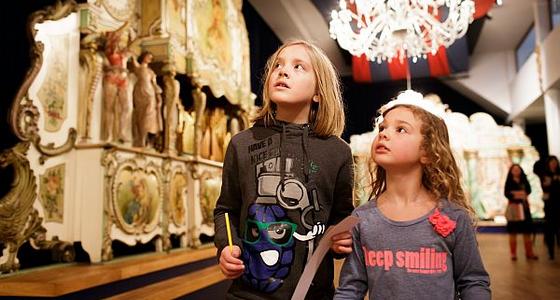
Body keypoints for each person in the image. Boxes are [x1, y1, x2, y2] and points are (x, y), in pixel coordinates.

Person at [213, 40, 354, 299]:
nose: (283, 71)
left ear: (318, 93)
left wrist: (341, 243)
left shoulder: (338, 152)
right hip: (247, 293)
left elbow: (341, 218)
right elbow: (226, 209)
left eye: (298, 67)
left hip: (313, 294)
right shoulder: (241, 143)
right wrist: (225, 246)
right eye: (277, 65)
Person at [335, 98, 491, 299]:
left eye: (400, 129)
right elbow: (350, 288)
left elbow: (473, 282)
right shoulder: (363, 218)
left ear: (427, 152)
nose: (383, 133)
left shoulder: (454, 217)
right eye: (382, 127)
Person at [101, 22, 134, 143]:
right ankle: (108, 135)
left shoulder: (124, 52)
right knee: (109, 108)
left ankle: (122, 132)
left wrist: (131, 32)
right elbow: (115, 36)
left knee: (128, 108)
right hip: (112, 77)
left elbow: (133, 43)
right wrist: (125, 24)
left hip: (123, 78)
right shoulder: (110, 50)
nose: (120, 41)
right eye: (118, 39)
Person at [503, 163, 538, 260]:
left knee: (527, 231)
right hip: (513, 209)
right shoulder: (509, 182)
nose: (516, 171)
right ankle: (513, 254)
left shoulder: (524, 180)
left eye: (518, 169)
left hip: (524, 208)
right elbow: (507, 193)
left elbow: (528, 190)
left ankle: (529, 253)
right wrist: (519, 194)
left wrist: (516, 193)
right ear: (511, 171)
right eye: (514, 169)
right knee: (512, 232)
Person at [131, 51, 163, 148]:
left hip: (150, 94)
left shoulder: (151, 72)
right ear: (143, 57)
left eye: (151, 57)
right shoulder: (138, 67)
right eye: (148, 56)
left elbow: (155, 85)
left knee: (148, 115)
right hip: (139, 93)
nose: (149, 58)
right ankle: (140, 138)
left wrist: (159, 97)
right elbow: (131, 55)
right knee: (140, 115)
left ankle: (146, 139)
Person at [542, 155, 560, 259]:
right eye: (551, 162)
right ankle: (551, 252)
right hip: (550, 206)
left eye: (555, 162)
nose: (553, 163)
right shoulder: (545, 175)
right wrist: (554, 181)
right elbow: (546, 188)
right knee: (550, 229)